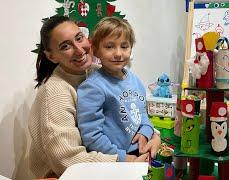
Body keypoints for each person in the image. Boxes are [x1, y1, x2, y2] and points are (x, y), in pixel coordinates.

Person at [28, 15, 161, 178]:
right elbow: (67, 160)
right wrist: (126, 161)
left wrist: (153, 135)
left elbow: (132, 113)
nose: (79, 49)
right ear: (51, 56)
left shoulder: (96, 71)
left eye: (79, 38)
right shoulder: (55, 92)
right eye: (65, 46)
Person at [76, 17, 154, 163]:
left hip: (139, 152)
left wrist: (146, 131)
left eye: (124, 46)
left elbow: (142, 113)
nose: (118, 53)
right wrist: (124, 158)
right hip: (114, 160)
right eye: (110, 47)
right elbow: (92, 136)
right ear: (96, 50)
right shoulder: (92, 87)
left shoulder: (135, 80)